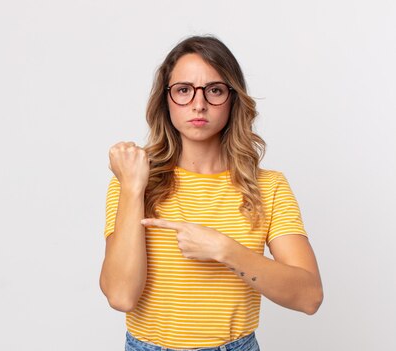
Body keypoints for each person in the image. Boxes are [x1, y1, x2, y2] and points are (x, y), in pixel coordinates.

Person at [99, 35, 324, 351]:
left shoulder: (268, 186)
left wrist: (224, 250)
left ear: (233, 99)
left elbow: (309, 296)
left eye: (214, 90)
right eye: (183, 90)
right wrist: (134, 187)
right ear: (166, 100)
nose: (199, 103)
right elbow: (121, 295)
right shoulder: (133, 181)